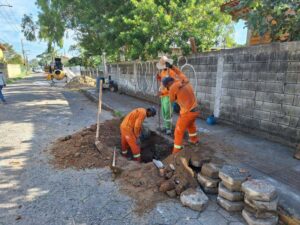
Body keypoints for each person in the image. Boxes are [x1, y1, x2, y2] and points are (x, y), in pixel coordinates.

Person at [162, 76, 199, 154]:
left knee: (178, 132)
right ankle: (194, 140)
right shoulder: (183, 81)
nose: (168, 88)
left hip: (187, 113)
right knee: (191, 125)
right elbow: (179, 73)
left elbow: (171, 100)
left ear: (169, 83)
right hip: (195, 110)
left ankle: (176, 152)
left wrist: (169, 92)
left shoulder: (172, 88)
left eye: (167, 86)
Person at [156, 56, 189, 135]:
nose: (163, 67)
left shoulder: (171, 72)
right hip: (163, 95)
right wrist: (159, 78)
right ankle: (165, 125)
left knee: (168, 112)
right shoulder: (163, 72)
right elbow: (163, 82)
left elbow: (172, 85)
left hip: (168, 95)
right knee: (164, 112)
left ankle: (169, 128)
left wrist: (163, 92)